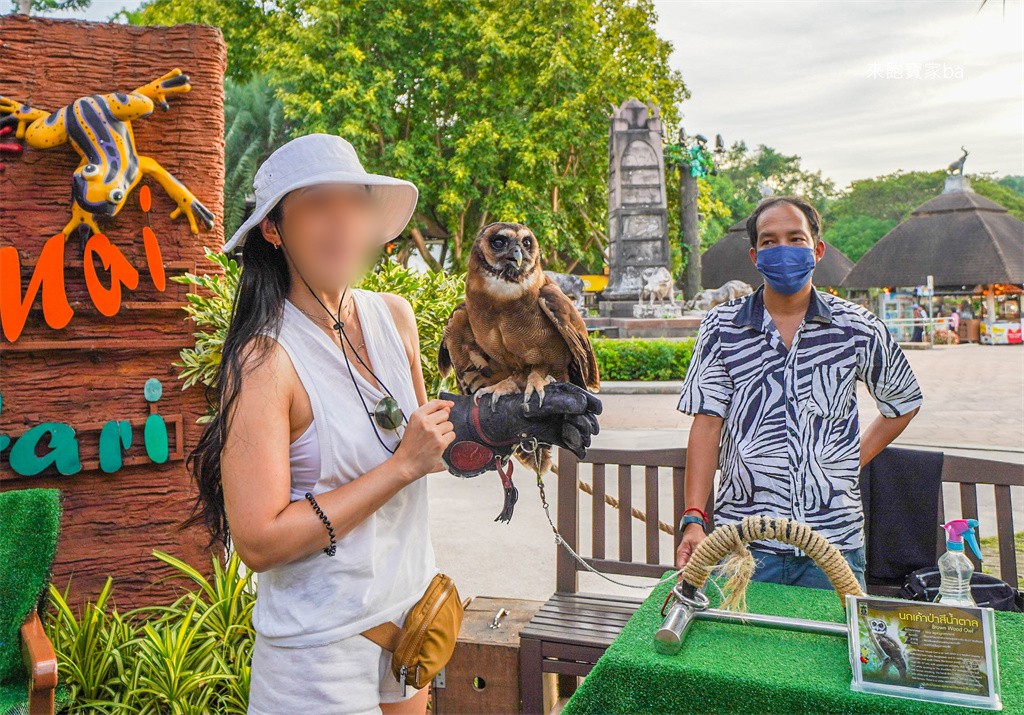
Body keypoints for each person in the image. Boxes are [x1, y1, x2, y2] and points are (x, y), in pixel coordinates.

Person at [183, 133, 600, 715]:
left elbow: (436, 444)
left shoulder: (392, 317)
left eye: (353, 203)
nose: (342, 223)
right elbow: (258, 541)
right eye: (316, 206)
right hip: (318, 656)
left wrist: (506, 425)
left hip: (412, 626)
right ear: (274, 230)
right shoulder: (264, 360)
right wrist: (400, 467)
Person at [675, 196, 923, 591]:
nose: (783, 250)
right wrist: (692, 518)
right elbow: (707, 424)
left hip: (833, 545)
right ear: (755, 256)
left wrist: (847, 460)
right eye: (770, 242)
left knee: (834, 651)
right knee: (740, 652)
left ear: (817, 249)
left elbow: (902, 403)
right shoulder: (722, 326)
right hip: (743, 546)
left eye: (795, 238)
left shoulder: (858, 328)